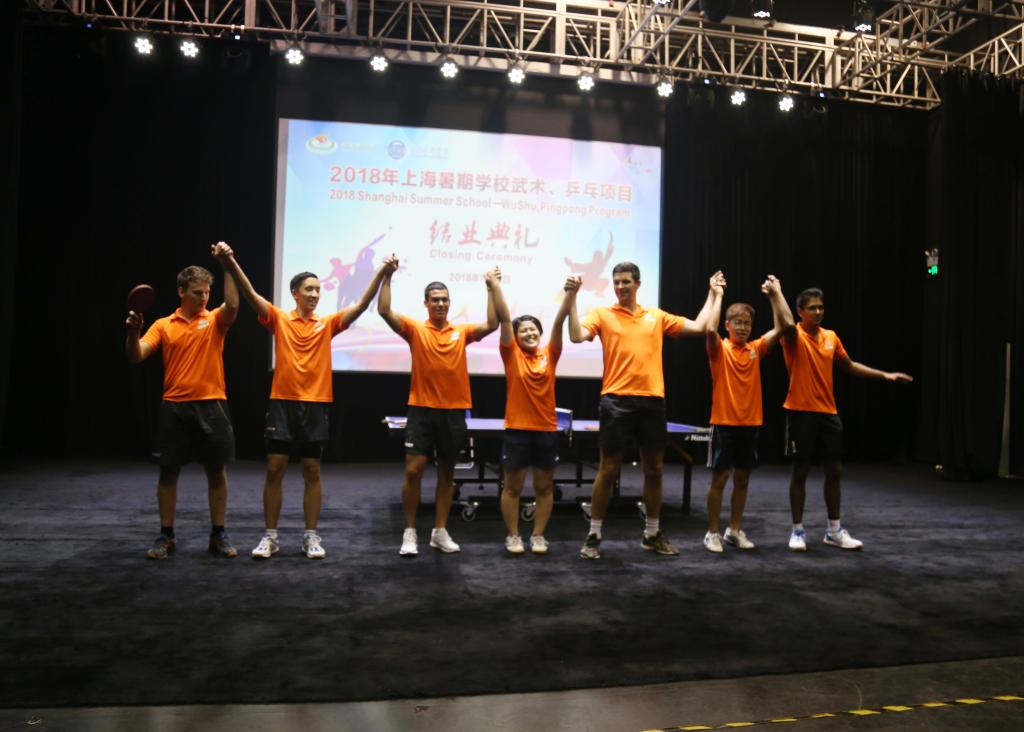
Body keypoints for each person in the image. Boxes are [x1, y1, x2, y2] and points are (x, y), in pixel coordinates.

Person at [215, 245, 397, 560]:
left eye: (317, 290)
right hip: (282, 404)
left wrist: (382, 273)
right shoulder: (278, 318)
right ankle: (270, 537)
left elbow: (361, 305)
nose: (315, 295)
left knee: (312, 470)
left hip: (315, 405)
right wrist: (230, 261)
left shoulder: (327, 324)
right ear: (295, 293)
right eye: (309, 289)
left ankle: (311, 536)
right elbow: (250, 294)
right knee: (275, 469)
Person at [568, 263, 717, 559]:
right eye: (616, 282)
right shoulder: (602, 314)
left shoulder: (656, 316)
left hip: (652, 401)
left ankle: (652, 534)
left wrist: (713, 294)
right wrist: (572, 297)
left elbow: (700, 327)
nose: (620, 287)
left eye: (625, 282)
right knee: (608, 469)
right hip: (616, 401)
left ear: (637, 283)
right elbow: (575, 336)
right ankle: (594, 535)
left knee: (655, 469)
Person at [125, 243, 239, 560]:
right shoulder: (163, 325)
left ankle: (218, 534)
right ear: (181, 292)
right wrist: (132, 332)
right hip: (174, 408)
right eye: (197, 293)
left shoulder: (214, 320)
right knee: (168, 473)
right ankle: (166, 535)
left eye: (207, 293)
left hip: (212, 406)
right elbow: (136, 356)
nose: (204, 298)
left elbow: (232, 304)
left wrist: (227, 265)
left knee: (216, 472)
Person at [378, 268, 500, 556]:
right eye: (435, 300)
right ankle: (410, 532)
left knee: (447, 473)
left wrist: (491, 288)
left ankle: (440, 532)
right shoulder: (415, 329)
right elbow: (384, 310)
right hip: (421, 410)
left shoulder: (461, 332)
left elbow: (493, 323)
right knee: (413, 471)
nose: (441, 304)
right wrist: (387, 277)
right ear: (426, 303)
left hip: (454, 413)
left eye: (444, 299)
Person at [782, 287, 913, 551]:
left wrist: (884, 375)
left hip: (829, 413)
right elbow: (784, 322)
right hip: (801, 412)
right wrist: (776, 293)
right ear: (800, 312)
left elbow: (849, 365)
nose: (818, 312)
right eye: (812, 308)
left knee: (834, 471)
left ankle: (834, 531)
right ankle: (797, 531)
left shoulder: (831, 337)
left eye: (821, 307)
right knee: (801, 471)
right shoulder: (794, 336)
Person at [703, 274, 794, 553]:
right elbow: (709, 330)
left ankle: (734, 530)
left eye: (747, 323)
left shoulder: (755, 349)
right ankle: (712, 533)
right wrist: (718, 295)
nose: (742, 328)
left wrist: (775, 295)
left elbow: (784, 326)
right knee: (720, 479)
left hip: (751, 424)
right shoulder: (719, 349)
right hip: (724, 423)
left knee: (742, 479)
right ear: (728, 325)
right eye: (737, 323)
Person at [491, 273, 580, 555]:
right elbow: (505, 319)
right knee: (512, 488)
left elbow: (559, 322)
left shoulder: (550, 354)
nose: (529, 333)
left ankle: (538, 535)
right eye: (523, 330)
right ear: (515, 337)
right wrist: (495, 286)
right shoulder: (511, 355)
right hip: (517, 430)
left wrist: (571, 293)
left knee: (544, 487)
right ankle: (513, 535)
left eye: (533, 330)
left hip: (546, 431)